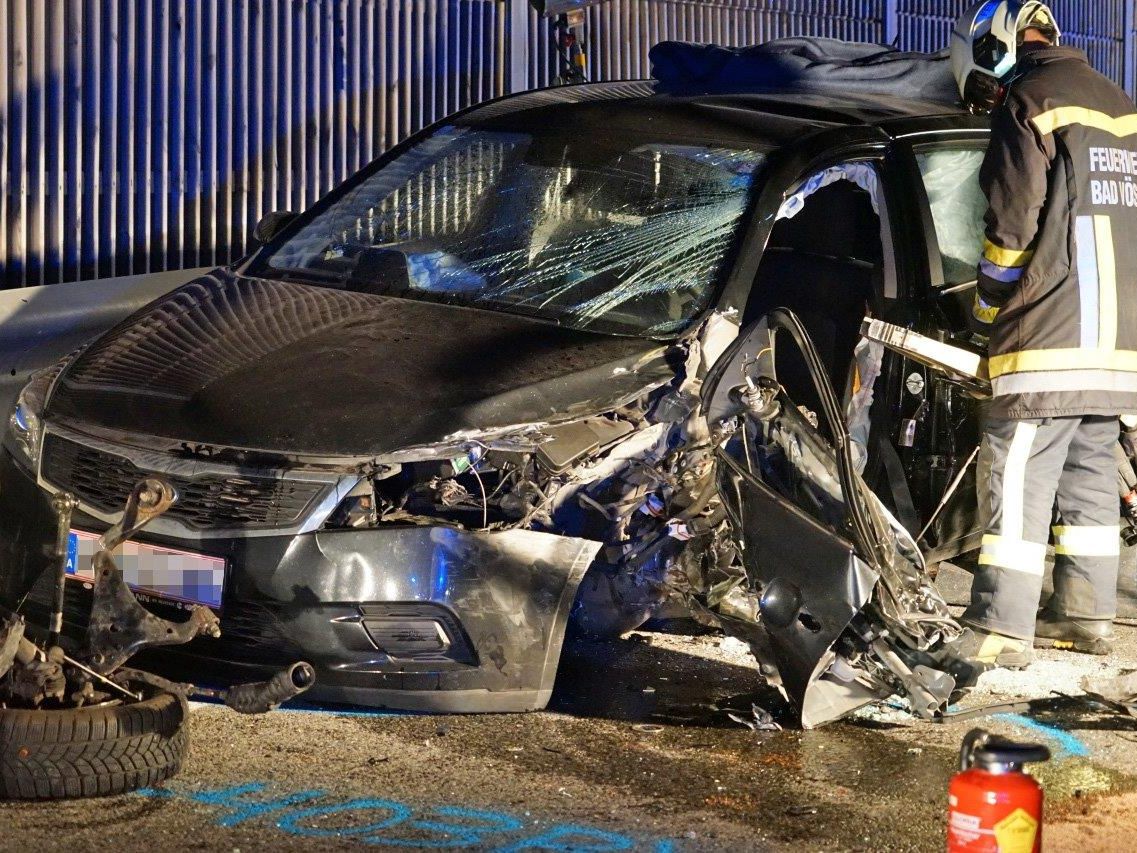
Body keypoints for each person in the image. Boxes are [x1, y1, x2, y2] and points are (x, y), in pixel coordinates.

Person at [948, 1, 1137, 667]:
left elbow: (1010, 223)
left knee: (1020, 474)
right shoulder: (1120, 105)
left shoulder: (1027, 101)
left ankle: (999, 626)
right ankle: (1085, 614)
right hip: (1118, 344)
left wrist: (986, 309)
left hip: (1047, 336)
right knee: (1088, 470)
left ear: (992, 49)